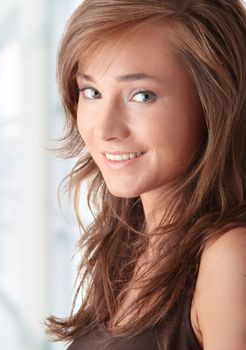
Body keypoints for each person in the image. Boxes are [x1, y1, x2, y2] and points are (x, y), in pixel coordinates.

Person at [44, 1, 246, 349]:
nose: (105, 128)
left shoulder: (230, 257)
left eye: (142, 95)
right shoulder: (127, 239)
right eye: (92, 92)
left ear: (215, 102)